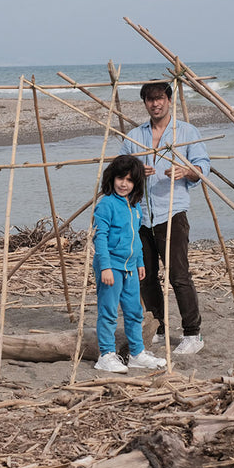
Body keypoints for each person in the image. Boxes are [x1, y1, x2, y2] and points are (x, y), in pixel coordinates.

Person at [120, 81, 210, 355]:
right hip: (141, 215)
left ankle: (192, 333)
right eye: (149, 100)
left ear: (169, 101)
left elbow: (203, 167)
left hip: (171, 212)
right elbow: (120, 172)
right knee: (145, 276)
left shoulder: (186, 132)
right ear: (145, 103)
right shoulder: (134, 136)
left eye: (159, 99)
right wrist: (135, 172)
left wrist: (187, 170)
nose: (155, 104)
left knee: (179, 276)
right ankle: (158, 327)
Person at [91, 154, 168, 374]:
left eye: (130, 180)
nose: (124, 184)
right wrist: (105, 267)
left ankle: (136, 354)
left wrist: (140, 262)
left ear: (136, 183)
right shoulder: (106, 204)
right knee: (108, 311)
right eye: (120, 178)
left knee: (134, 311)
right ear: (112, 178)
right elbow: (101, 237)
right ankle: (106, 355)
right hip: (111, 267)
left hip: (131, 268)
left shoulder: (134, 207)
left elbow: (136, 238)